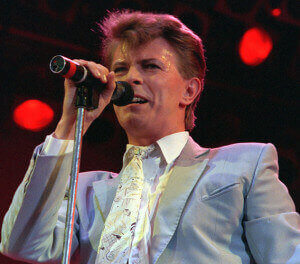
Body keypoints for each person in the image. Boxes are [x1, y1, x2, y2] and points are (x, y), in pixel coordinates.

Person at [0, 10, 299, 264]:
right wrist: (69, 122)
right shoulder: (86, 191)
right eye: (121, 68)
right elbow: (21, 243)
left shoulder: (245, 164)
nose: (131, 78)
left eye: (150, 66)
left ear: (189, 90)